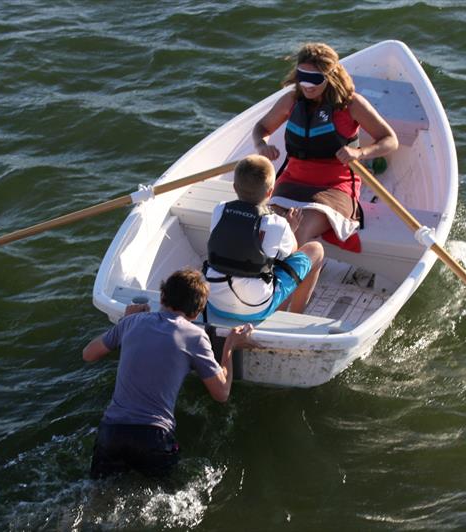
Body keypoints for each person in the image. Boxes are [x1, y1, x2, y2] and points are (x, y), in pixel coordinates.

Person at [82, 268, 255, 479]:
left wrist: (124, 323)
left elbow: (88, 354)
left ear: (162, 296)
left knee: (98, 498)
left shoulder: (131, 322)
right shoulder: (195, 336)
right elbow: (221, 394)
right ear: (196, 313)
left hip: (112, 432)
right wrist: (230, 346)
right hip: (153, 436)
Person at [253, 42, 399, 250]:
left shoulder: (352, 105)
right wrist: (261, 145)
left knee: (299, 230)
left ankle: (284, 279)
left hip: (335, 186)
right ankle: (269, 275)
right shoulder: (291, 101)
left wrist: (360, 152)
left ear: (330, 76)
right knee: (269, 228)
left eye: (315, 79)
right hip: (292, 180)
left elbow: (389, 139)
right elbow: (261, 127)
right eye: (303, 77)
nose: (307, 85)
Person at [204, 155, 324, 320]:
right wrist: (291, 227)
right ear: (270, 191)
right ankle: (295, 317)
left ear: (234, 187)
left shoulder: (220, 210)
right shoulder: (277, 223)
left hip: (214, 302)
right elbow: (292, 254)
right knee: (315, 250)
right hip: (255, 309)